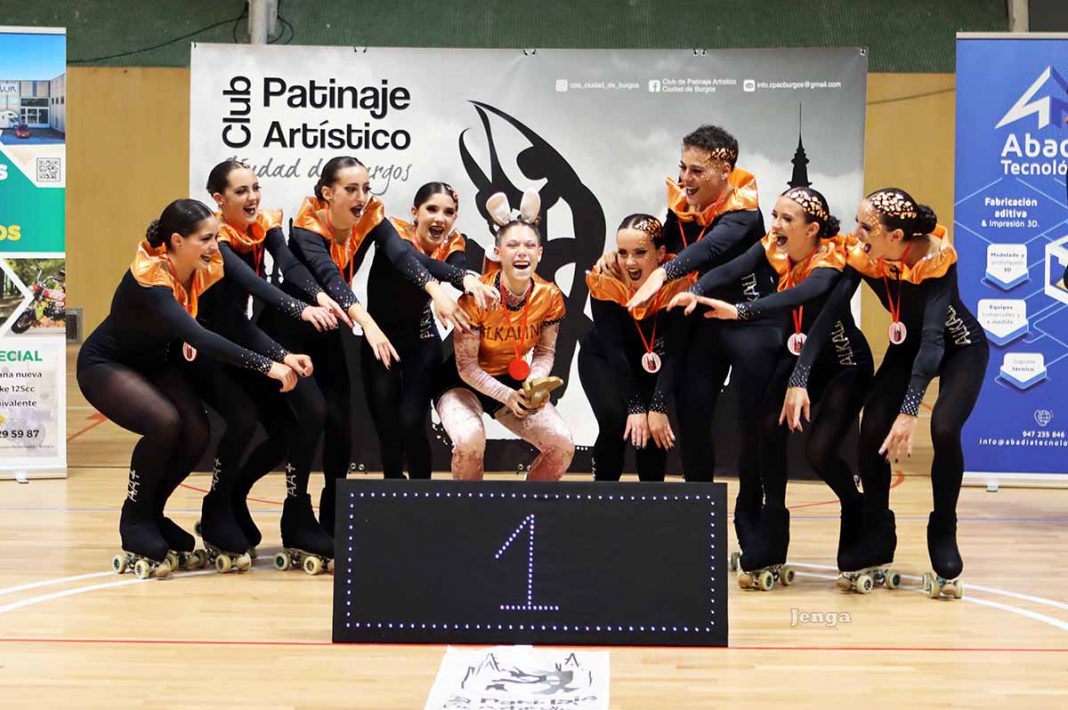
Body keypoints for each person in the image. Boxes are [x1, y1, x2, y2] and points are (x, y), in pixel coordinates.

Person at [274, 156, 496, 534]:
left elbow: (404, 256)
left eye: (366, 187)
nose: (362, 196)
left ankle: (341, 514)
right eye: (351, 189)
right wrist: (369, 325)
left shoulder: (374, 218)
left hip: (352, 330)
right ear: (328, 193)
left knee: (354, 424)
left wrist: (454, 284)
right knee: (320, 420)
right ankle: (298, 512)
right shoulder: (307, 227)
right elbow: (331, 278)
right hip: (301, 331)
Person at [783, 188, 988, 597]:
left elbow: (934, 340)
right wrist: (799, 378)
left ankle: (943, 529)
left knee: (945, 428)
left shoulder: (936, 257)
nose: (856, 233)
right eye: (857, 223)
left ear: (895, 237)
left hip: (959, 348)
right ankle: (877, 531)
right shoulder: (864, 254)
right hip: (907, 348)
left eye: (866, 227)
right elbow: (828, 315)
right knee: (873, 425)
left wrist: (910, 411)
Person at [77, 199, 297, 577]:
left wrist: (285, 350)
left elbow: (249, 295)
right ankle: (135, 517)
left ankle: (153, 513)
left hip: (157, 362)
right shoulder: (150, 276)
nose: (214, 245)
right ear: (177, 241)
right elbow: (199, 336)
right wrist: (268, 365)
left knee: (197, 431)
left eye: (215, 237)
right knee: (164, 422)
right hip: (108, 363)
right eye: (206, 239)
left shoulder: (202, 265)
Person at [670, 187, 872, 586]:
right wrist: (694, 290)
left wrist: (742, 310)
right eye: (775, 214)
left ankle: (855, 507)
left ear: (812, 230)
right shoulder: (774, 247)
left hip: (843, 363)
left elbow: (802, 295)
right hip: (799, 359)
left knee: (819, 451)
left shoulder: (832, 259)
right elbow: (734, 268)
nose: (775, 224)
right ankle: (772, 537)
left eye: (786, 219)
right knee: (766, 429)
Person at [622, 125, 774, 556]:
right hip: (700, 324)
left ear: (725, 170)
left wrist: (663, 274)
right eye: (682, 168)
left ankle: (753, 533)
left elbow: (710, 250)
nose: (685, 179)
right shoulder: (683, 206)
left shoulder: (745, 211)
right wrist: (619, 257)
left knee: (750, 427)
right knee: (693, 417)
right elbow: (665, 244)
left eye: (697, 170)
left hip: (746, 324)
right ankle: (700, 529)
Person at [194, 160, 339, 572]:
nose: (252, 197)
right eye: (241, 191)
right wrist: (301, 310)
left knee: (310, 413)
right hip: (212, 344)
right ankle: (217, 504)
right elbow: (252, 284)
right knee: (243, 419)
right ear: (219, 199)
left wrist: (318, 295)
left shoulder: (264, 224)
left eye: (255, 187)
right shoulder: (216, 240)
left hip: (247, 337)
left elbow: (289, 265)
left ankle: (291, 511)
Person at [435, 190, 574, 480]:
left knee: (562, 444)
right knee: (470, 439)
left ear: (539, 253)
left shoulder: (550, 296)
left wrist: (535, 382)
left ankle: (530, 506)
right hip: (460, 382)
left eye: (529, 245)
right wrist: (507, 395)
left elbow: (545, 352)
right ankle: (468, 508)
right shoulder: (477, 297)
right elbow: (467, 367)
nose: (522, 252)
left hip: (512, 382)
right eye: (512, 245)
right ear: (498, 252)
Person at [362, 182, 472, 480]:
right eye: (431, 209)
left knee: (412, 422)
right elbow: (416, 262)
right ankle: (393, 490)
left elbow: (456, 267)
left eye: (448, 212)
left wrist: (468, 279)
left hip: (423, 342)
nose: (440, 218)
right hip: (380, 342)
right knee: (387, 428)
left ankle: (422, 493)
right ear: (415, 212)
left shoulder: (453, 243)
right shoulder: (392, 233)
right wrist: (456, 280)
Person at [579, 214, 691, 481]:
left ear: (660, 253)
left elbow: (676, 352)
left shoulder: (680, 283)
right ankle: (603, 492)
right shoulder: (605, 280)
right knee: (615, 420)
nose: (629, 262)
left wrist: (658, 405)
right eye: (622, 252)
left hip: (652, 361)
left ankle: (650, 499)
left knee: (653, 431)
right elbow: (614, 349)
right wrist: (636, 406)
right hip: (604, 360)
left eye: (640, 253)